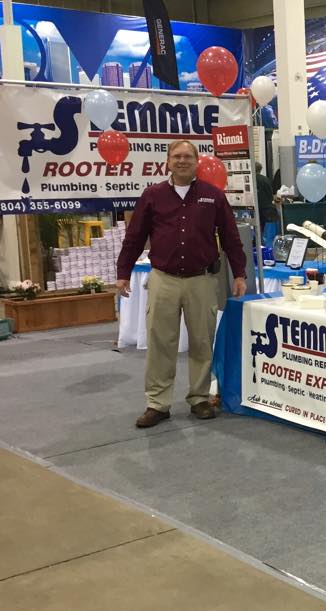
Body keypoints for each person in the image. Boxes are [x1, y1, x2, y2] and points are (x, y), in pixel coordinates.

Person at [116, 140, 247, 428]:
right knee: (160, 342)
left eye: (188, 156)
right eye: (177, 156)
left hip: (202, 280)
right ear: (167, 162)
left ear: (197, 162)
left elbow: (231, 237)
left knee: (202, 341)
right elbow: (135, 237)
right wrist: (123, 272)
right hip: (163, 280)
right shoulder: (152, 196)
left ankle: (199, 398)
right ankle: (157, 403)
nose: (182, 160)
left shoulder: (213, 196)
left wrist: (240, 273)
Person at [255, 161, 276, 238]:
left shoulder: (251, 179)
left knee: (257, 228)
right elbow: (270, 194)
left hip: (256, 208)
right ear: (260, 169)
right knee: (265, 229)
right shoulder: (265, 179)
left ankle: (258, 241)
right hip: (267, 208)